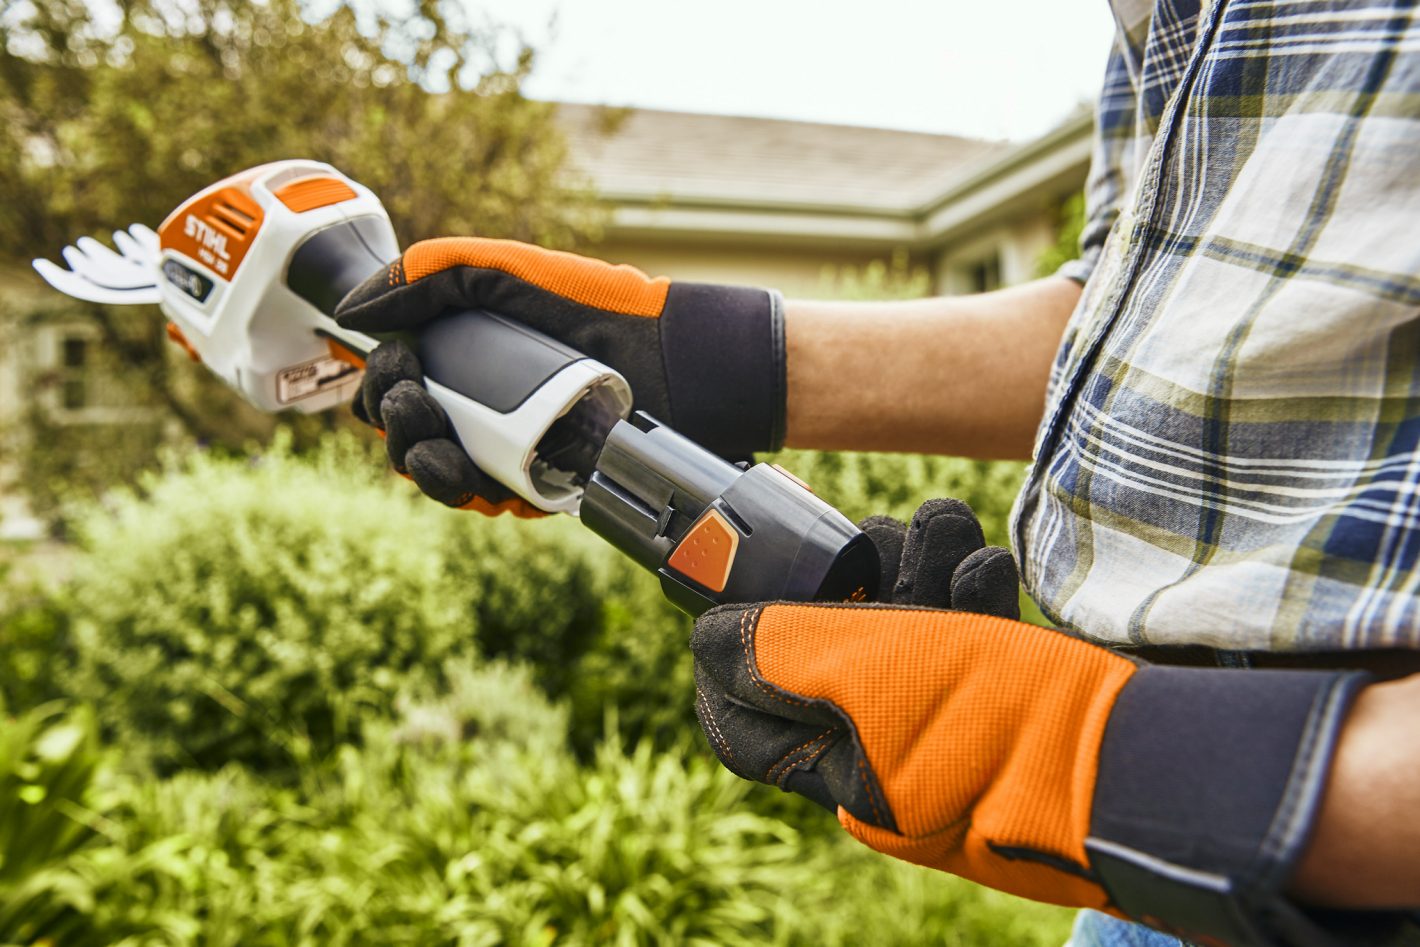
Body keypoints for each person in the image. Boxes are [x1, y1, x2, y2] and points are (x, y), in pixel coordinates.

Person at [333, 1, 1420, 942]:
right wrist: (697, 356)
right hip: (1164, 883)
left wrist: (1084, 753)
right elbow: (1158, 318)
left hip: (1290, 830)